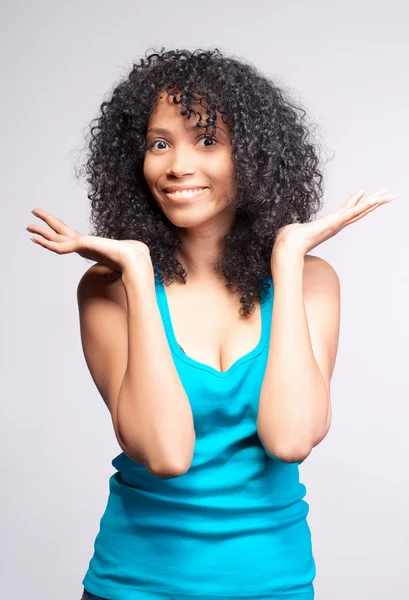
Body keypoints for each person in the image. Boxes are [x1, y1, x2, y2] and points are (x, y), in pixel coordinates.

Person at [26, 48, 394, 600]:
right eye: (159, 143)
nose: (177, 165)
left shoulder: (310, 280)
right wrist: (136, 270)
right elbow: (165, 453)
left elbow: (291, 438)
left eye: (206, 141)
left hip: (276, 585)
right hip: (132, 586)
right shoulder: (110, 290)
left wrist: (289, 257)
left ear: (253, 156)